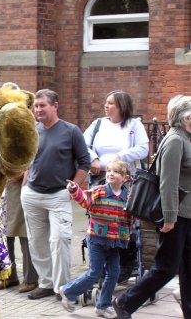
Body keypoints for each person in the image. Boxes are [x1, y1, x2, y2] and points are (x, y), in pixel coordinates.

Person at [112, 94, 191, 319]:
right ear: (186, 118)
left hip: (188, 215)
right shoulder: (175, 140)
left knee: (189, 268)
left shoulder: (187, 138)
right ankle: (124, 302)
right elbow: (167, 182)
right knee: (166, 268)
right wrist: (169, 217)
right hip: (176, 216)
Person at [20, 89, 91, 299]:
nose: (38, 109)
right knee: (37, 242)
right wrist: (25, 182)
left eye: (42, 105)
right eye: (36, 106)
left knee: (60, 239)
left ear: (55, 106)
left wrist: (73, 188)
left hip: (59, 195)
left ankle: (63, 288)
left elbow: (85, 163)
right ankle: (46, 283)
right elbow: (27, 158)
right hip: (32, 195)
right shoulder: (33, 130)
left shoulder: (71, 131)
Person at [59, 160, 132, 319]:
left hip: (114, 242)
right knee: (95, 272)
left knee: (114, 273)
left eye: (116, 172)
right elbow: (84, 200)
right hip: (96, 240)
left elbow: (134, 215)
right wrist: (75, 190)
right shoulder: (99, 191)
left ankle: (103, 306)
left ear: (125, 178)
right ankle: (68, 291)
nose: (111, 173)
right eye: (109, 170)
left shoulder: (128, 196)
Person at [0, 83, 38, 293]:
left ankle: (31, 278)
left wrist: (20, 171)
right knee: (3, 233)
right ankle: (8, 276)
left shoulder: (28, 125)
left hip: (20, 185)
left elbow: (34, 153)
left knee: (23, 232)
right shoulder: (1, 123)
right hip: (0, 186)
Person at [84, 90, 149, 187]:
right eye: (106, 103)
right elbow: (82, 144)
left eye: (110, 103)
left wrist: (119, 156)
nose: (106, 106)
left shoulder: (134, 125)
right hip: (99, 179)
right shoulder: (98, 123)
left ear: (122, 106)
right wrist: (93, 158)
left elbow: (143, 149)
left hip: (125, 180)